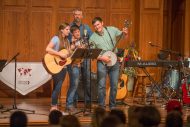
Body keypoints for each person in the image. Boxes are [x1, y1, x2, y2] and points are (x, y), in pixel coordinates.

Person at [89, 17, 129, 109]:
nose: (97, 27)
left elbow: (123, 37)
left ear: (102, 23)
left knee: (114, 85)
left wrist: (126, 33)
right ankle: (101, 106)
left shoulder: (112, 29)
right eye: (95, 26)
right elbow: (92, 53)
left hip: (114, 62)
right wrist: (102, 58)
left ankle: (112, 106)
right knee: (101, 86)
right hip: (102, 63)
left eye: (98, 24)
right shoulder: (93, 37)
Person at [46, 23, 74, 111]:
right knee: (58, 86)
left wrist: (74, 48)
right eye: (67, 29)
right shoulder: (56, 38)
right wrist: (59, 54)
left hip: (63, 66)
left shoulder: (67, 41)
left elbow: (68, 54)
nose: (69, 31)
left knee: (57, 86)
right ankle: (53, 106)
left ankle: (54, 105)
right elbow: (48, 49)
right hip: (56, 65)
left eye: (69, 29)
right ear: (62, 30)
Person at [69, 8, 93, 109]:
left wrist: (89, 47)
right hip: (75, 59)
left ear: (82, 16)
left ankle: (88, 103)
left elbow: (92, 39)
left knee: (87, 80)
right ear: (73, 15)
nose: (78, 16)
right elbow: (67, 41)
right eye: (76, 14)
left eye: (79, 14)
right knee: (75, 81)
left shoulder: (86, 27)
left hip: (86, 58)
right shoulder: (69, 27)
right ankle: (73, 103)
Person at [66, 25, 86, 112]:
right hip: (73, 66)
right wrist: (73, 45)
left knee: (75, 85)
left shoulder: (81, 41)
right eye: (75, 32)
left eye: (78, 31)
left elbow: (83, 53)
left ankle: (74, 104)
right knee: (74, 85)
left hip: (79, 65)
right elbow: (69, 54)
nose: (78, 33)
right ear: (72, 34)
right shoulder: (71, 42)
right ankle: (69, 104)